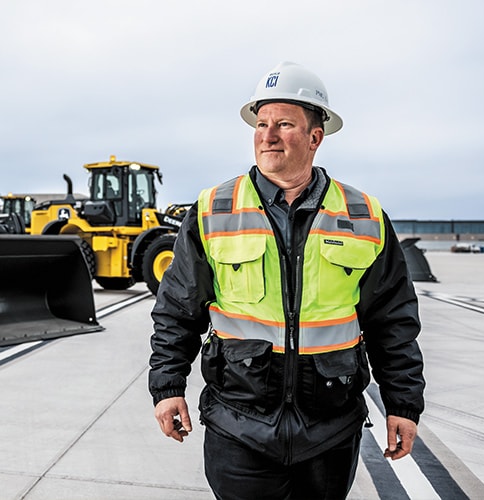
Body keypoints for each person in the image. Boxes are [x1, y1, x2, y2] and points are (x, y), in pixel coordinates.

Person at [148, 61, 425, 500]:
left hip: (330, 430)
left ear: (316, 136)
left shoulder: (364, 216)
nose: (267, 135)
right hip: (238, 424)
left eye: (283, 124)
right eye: (260, 124)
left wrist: (403, 405)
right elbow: (178, 310)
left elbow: (392, 320)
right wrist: (167, 387)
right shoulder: (212, 210)